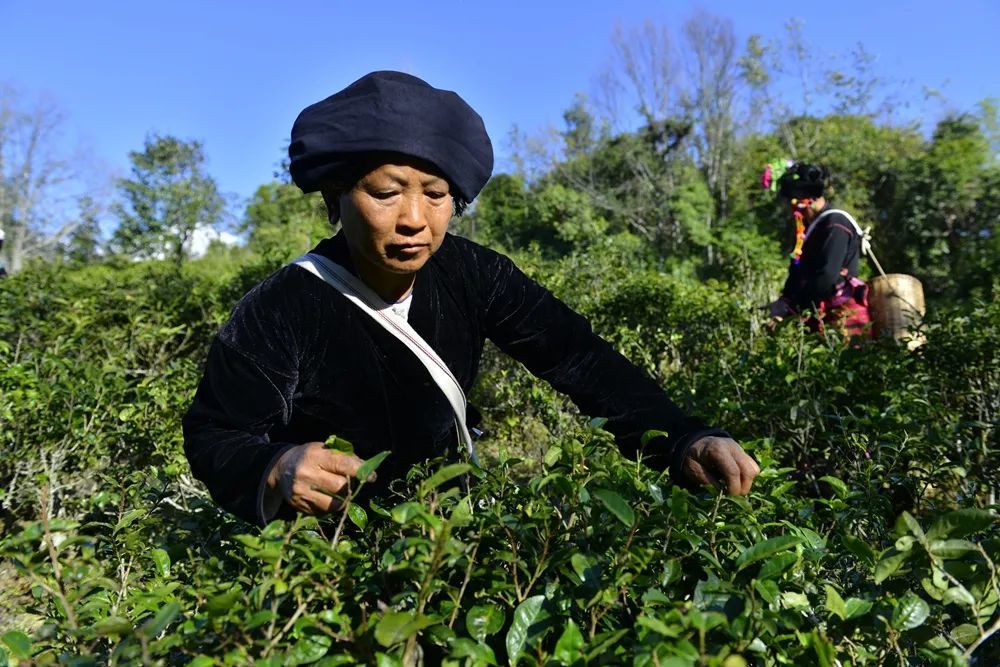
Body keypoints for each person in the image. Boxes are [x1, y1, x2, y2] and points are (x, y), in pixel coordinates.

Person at [182, 71, 759, 526]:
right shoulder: (281, 307)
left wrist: (683, 434)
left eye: (436, 195)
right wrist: (276, 466)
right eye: (385, 193)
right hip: (330, 559)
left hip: (450, 534)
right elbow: (215, 434)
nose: (413, 219)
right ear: (337, 197)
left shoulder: (473, 274)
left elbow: (577, 357)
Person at [762, 161, 871, 337]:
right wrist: (784, 301)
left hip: (843, 318)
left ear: (803, 200)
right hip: (817, 317)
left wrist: (792, 309)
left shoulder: (835, 223)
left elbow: (827, 276)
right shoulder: (808, 231)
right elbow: (796, 275)